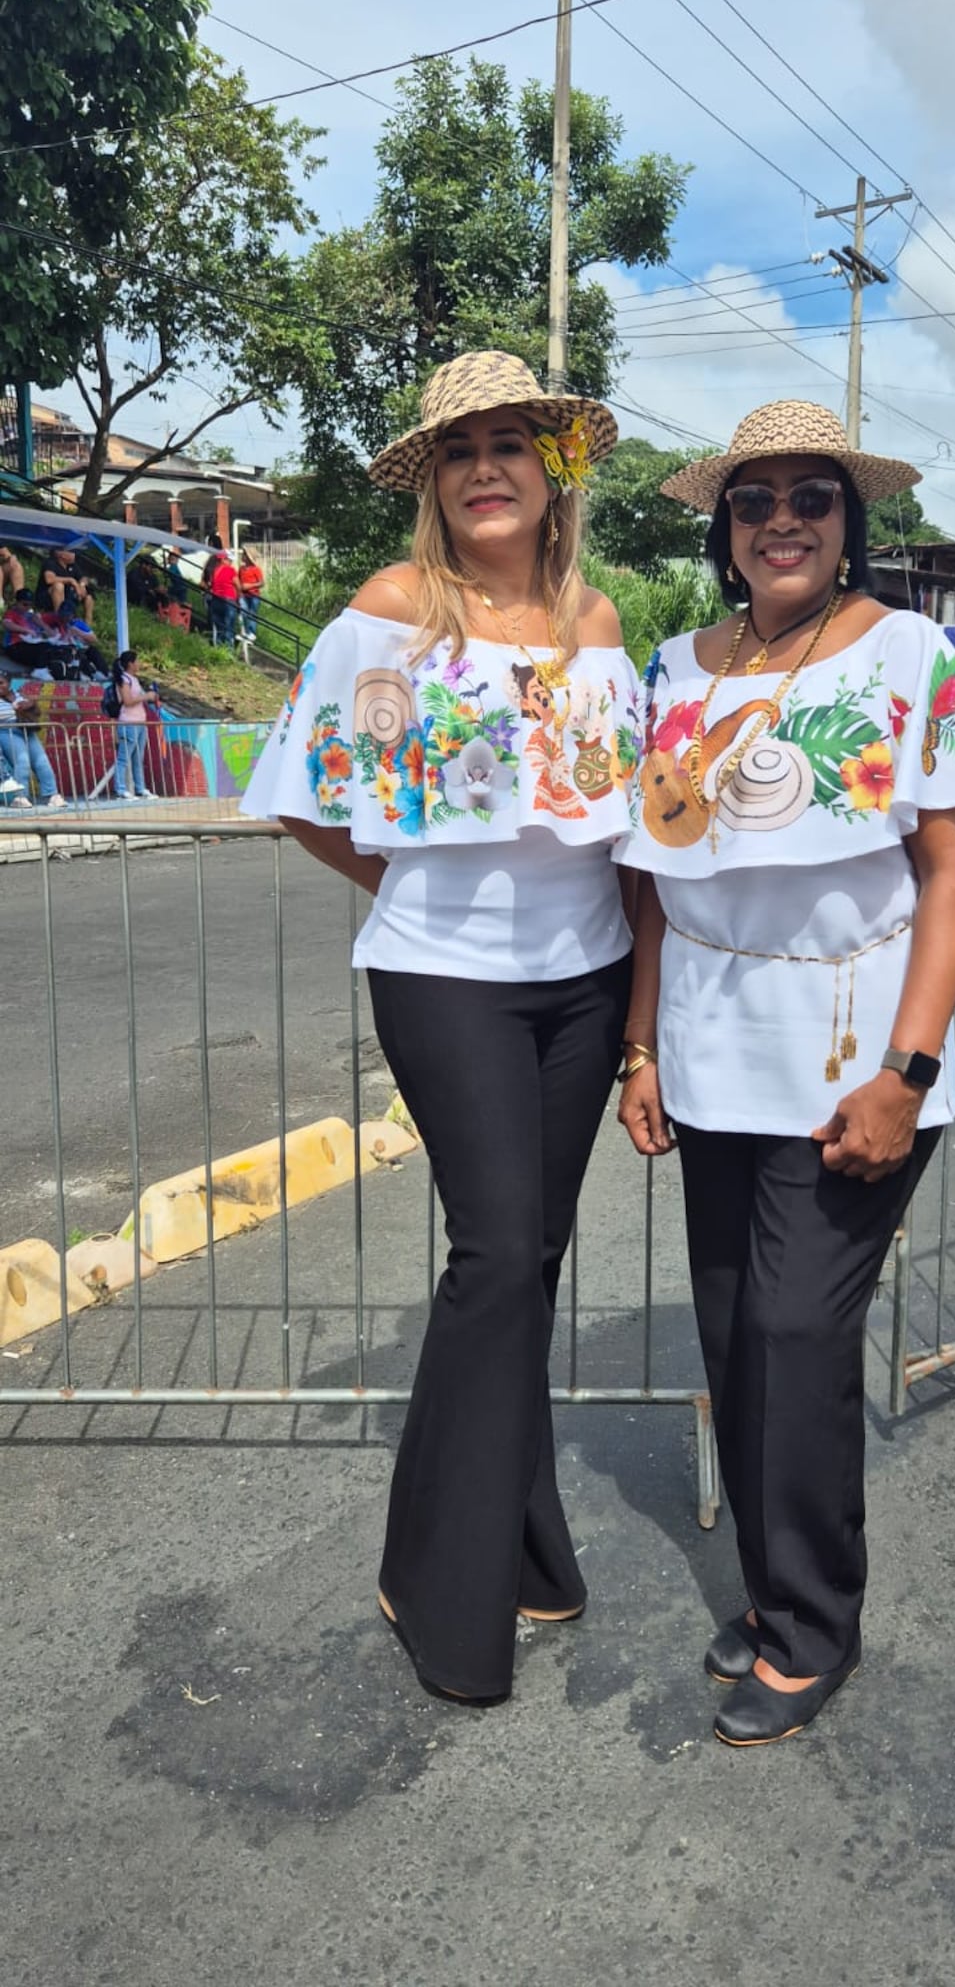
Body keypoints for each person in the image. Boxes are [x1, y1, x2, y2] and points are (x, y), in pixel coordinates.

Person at [616, 401, 955, 1748]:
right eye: (755, 501)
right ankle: (773, 1588)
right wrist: (640, 1046)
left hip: (855, 1055)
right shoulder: (676, 668)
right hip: (710, 1048)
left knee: (797, 1333)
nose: (782, 521)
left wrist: (907, 1071)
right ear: (725, 531)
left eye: (812, 497)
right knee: (736, 1334)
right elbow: (651, 885)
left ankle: (814, 1625)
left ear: (849, 522)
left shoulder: (909, 653)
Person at [241, 351, 637, 1705]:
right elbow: (302, 788)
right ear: (434, 482)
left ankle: (525, 1544)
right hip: (443, 976)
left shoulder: (595, 621)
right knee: (497, 1251)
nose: (484, 468)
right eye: (459, 450)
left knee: (534, 1256)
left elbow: (626, 814)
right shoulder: (393, 610)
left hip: (587, 977)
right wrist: (408, 887)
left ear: (551, 470)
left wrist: (644, 1021)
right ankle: (436, 1576)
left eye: (508, 444)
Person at [0, 674, 65, 808]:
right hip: (7, 731)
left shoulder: (19, 694)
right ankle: (20, 796)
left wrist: (28, 705)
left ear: (9, 683)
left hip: (28, 730)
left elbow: (35, 708)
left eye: (1, 683)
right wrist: (16, 709)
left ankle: (52, 794)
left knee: (42, 761)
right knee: (22, 761)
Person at [110, 650, 160, 800]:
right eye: (137, 661)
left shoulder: (134, 679)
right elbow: (128, 701)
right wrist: (146, 696)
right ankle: (120, 788)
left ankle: (140, 787)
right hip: (128, 723)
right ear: (130, 663)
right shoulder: (124, 679)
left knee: (138, 758)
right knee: (123, 758)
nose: (139, 664)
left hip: (140, 723)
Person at [2, 588, 73, 678]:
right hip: (15, 646)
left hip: (31, 645)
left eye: (30, 605)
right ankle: (40, 670)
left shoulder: (31, 616)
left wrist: (46, 629)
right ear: (17, 602)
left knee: (57, 649)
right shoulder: (11, 613)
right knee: (43, 647)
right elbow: (7, 624)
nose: (27, 608)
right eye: (24, 604)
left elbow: (47, 631)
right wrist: (26, 630)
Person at [208, 544, 240, 647]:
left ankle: (219, 648)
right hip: (228, 600)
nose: (231, 562)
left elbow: (210, 584)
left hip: (216, 600)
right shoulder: (230, 570)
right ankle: (229, 649)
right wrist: (239, 599)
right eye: (229, 560)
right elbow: (238, 585)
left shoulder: (214, 571)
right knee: (229, 626)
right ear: (223, 559)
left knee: (219, 626)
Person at [237, 546, 265, 641]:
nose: (242, 556)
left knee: (252, 613)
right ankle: (245, 631)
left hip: (253, 595)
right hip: (243, 595)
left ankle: (252, 632)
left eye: (244, 554)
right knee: (243, 611)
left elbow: (261, 583)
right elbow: (238, 580)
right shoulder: (241, 569)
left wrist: (250, 586)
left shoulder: (256, 569)